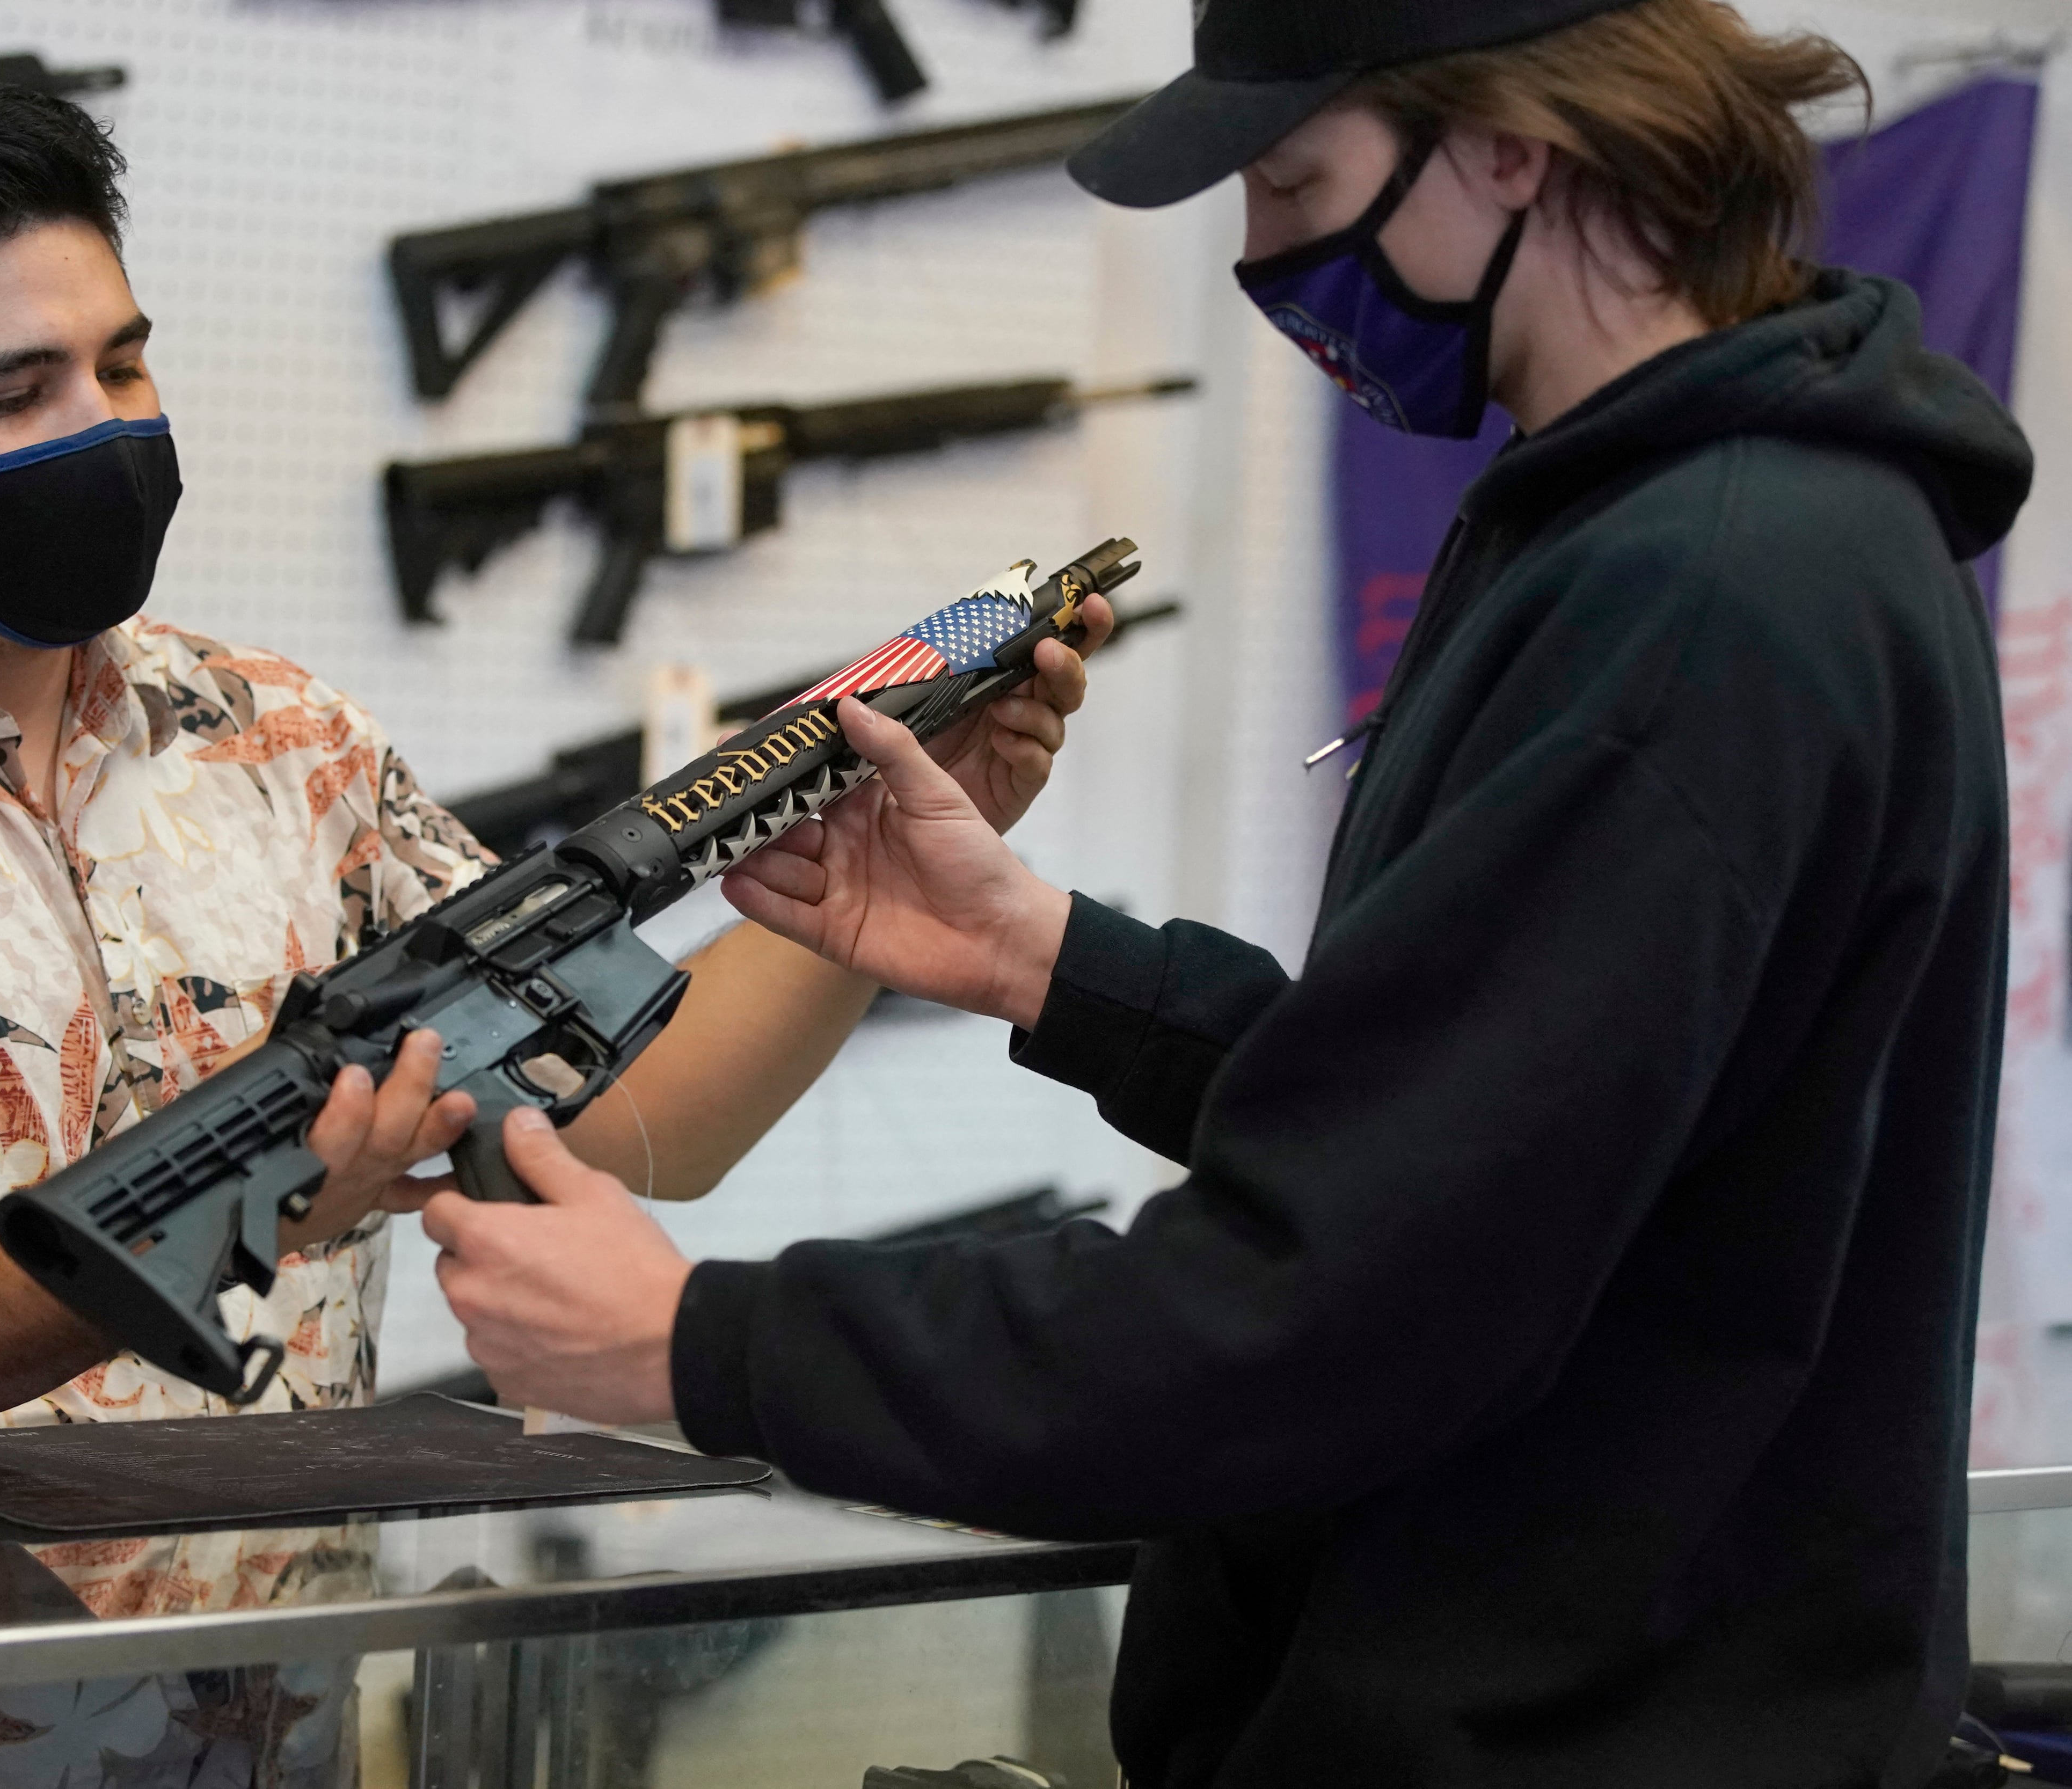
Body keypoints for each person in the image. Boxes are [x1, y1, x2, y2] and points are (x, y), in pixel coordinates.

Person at [410, 0, 2037, 1783]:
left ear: (1512, 143)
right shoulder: (1675, 532)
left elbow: (1337, 1302)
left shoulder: (1701, 597)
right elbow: (1503, 1136)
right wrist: (1059, 968)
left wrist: (698, 1345)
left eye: (1293, 178)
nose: (1265, 254)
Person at [0, 79, 1100, 1788]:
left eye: (120, 364)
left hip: (259, 1734)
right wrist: (229, 1208)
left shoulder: (281, 742)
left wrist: (869, 894)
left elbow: (641, 1113)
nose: (101, 426)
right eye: (10, 390)